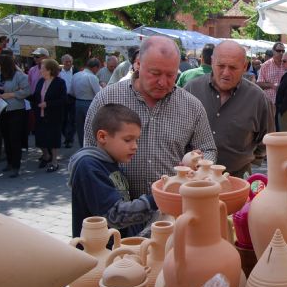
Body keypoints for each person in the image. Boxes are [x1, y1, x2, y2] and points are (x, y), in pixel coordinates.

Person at [84, 36, 217, 199]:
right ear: (138, 64)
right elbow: (89, 152)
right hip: (117, 207)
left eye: (170, 75)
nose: (162, 82)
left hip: (172, 207)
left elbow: (208, 148)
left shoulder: (192, 106)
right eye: (155, 73)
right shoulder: (106, 99)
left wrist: (199, 164)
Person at [184, 40, 274, 178]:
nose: (226, 73)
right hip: (194, 180)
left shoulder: (257, 98)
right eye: (221, 65)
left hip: (237, 180)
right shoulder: (191, 90)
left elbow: (267, 140)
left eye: (233, 67)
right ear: (212, 61)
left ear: (244, 67)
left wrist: (245, 158)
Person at [69, 104, 158, 238]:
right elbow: (114, 215)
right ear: (102, 137)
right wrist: (157, 199)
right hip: (100, 253)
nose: (135, 146)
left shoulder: (110, 162)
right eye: (128, 140)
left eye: (136, 140)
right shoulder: (88, 166)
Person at [0, 50, 31, 177]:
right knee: (6, 137)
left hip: (16, 111)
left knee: (14, 138)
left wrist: (12, 94)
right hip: (1, 110)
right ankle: (9, 162)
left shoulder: (20, 76)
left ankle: (16, 166)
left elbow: (27, 91)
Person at [32, 58, 67, 172]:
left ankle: (54, 161)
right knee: (40, 136)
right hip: (40, 114)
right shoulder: (41, 81)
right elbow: (36, 96)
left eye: (42, 68)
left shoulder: (59, 82)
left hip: (54, 115)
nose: (40, 70)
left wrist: (48, 104)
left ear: (49, 70)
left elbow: (63, 100)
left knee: (53, 138)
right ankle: (46, 156)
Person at [71, 58, 101, 147]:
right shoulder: (92, 77)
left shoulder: (75, 75)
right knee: (91, 128)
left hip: (77, 103)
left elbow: (71, 91)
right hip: (89, 104)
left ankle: (82, 146)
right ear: (95, 67)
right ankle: (91, 147)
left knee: (80, 129)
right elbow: (98, 93)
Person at [59, 54, 78, 148]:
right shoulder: (58, 72)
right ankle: (66, 135)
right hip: (62, 98)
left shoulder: (76, 71)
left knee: (72, 119)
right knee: (62, 119)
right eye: (66, 61)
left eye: (70, 61)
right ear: (62, 62)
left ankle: (69, 139)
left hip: (72, 97)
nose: (68, 63)